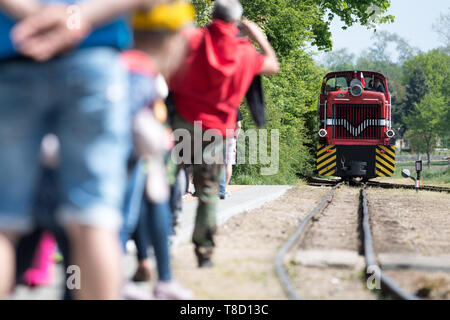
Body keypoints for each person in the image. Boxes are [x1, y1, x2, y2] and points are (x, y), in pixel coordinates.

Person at [0, 0, 159, 300]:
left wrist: (35, 17)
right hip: (93, 52)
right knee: (95, 221)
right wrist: (74, 19)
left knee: (3, 222)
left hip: (15, 48)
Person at [169, 0, 279, 267]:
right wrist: (257, 36)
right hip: (217, 130)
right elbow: (273, 65)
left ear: (212, 15)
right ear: (237, 22)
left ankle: (164, 231)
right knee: (207, 190)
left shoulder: (193, 38)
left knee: (170, 175)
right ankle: (204, 252)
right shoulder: (246, 52)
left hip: (183, 121)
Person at [119, 1, 194, 300]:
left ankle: (147, 272)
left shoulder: (124, 62)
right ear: (176, 40)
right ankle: (159, 278)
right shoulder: (140, 73)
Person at [219, 109, 243, 199]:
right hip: (230, 135)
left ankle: (217, 187)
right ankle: (224, 188)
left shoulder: (218, 105)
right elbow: (239, 126)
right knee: (228, 163)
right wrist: (235, 137)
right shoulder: (234, 108)